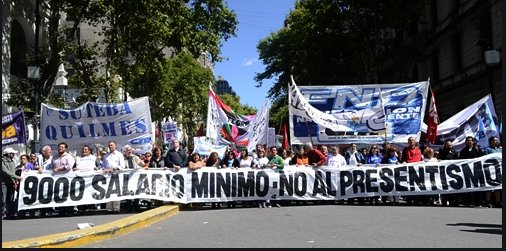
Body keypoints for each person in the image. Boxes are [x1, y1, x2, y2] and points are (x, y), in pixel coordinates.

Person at [51, 142, 76, 216]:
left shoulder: (69, 157)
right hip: (57, 179)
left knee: (67, 194)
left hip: (67, 179)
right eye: (59, 147)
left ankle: (70, 211)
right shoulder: (54, 157)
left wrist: (59, 169)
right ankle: (61, 211)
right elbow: (52, 168)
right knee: (60, 194)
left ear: (65, 148)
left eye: (62, 147)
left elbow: (69, 167)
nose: (60, 148)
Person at [458, 136, 484, 207]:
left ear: (473, 142)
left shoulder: (477, 149)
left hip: (476, 171)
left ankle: (478, 202)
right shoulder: (463, 151)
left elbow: (482, 158)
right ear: (466, 142)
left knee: (476, 186)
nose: (469, 141)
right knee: (468, 187)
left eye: (470, 140)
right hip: (466, 171)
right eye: (468, 140)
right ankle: (468, 201)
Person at [74, 145, 98, 214]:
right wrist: (74, 168)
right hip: (80, 178)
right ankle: (81, 208)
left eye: (85, 149)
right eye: (83, 149)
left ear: (89, 151)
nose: (84, 151)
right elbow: (74, 167)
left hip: (90, 178)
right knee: (81, 192)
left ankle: (91, 207)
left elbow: (99, 165)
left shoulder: (94, 158)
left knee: (91, 192)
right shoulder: (78, 158)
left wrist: (97, 168)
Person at [103, 141, 126, 213]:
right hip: (108, 175)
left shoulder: (119, 154)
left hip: (116, 174)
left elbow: (122, 166)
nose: (110, 146)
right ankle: (109, 208)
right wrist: (105, 169)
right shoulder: (106, 155)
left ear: (115, 146)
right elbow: (103, 165)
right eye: (109, 145)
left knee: (116, 191)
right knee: (108, 191)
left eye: (112, 145)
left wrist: (113, 169)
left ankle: (116, 208)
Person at [400, 137, 423, 205]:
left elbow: (421, 158)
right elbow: (403, 159)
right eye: (409, 140)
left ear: (415, 141)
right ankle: (409, 199)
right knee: (410, 184)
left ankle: (417, 199)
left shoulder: (419, 149)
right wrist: (403, 162)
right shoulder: (405, 149)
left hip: (418, 169)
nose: (411, 141)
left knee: (418, 184)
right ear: (408, 142)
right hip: (409, 169)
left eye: (412, 140)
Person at [1, 147, 22, 219]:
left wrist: (18, 170)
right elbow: (6, 172)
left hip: (11, 183)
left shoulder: (12, 162)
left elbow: (12, 171)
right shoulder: (2, 161)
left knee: (10, 199)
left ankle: (9, 213)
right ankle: (2, 213)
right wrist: (17, 177)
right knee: (3, 199)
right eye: (12, 153)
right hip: (3, 183)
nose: (13, 154)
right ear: (8, 154)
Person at [437, 139, 459, 206]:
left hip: (452, 172)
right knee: (445, 186)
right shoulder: (442, 152)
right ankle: (444, 200)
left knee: (453, 186)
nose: (449, 146)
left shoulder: (455, 153)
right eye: (447, 145)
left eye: (450, 145)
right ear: (445, 145)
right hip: (444, 172)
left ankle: (452, 200)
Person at [123, 145, 144, 213]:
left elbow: (142, 164)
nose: (129, 151)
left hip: (134, 177)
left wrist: (141, 163)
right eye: (128, 150)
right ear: (125, 151)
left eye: (130, 150)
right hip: (126, 177)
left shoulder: (135, 157)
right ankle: (129, 206)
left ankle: (136, 206)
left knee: (136, 191)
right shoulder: (122, 158)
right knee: (127, 192)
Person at [482, 136, 502, 208]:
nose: (496, 142)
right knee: (490, 187)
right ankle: (488, 201)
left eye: (497, 140)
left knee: (498, 187)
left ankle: (498, 202)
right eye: (495, 140)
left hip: (498, 171)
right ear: (491, 142)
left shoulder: (500, 149)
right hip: (490, 170)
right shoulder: (487, 150)